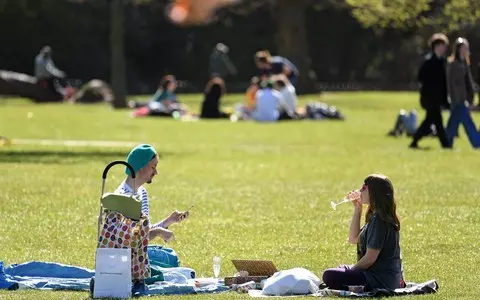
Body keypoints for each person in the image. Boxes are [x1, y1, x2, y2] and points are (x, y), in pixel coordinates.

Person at [322, 174, 404, 291]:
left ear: (375, 192)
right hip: (380, 277)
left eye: (364, 188)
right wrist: (358, 208)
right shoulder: (376, 216)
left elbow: (369, 259)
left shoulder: (380, 221)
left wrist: (351, 271)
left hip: (379, 280)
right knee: (340, 268)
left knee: (329, 275)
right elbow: (353, 238)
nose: (360, 190)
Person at [116, 144, 189, 243]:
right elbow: (129, 240)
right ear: (140, 166)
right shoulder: (122, 197)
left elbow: (144, 232)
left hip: (137, 255)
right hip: (123, 257)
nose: (156, 172)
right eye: (153, 167)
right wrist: (158, 232)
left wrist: (168, 221)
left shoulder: (142, 192)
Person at [409, 33, 451, 149]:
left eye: (444, 46)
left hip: (438, 98)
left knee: (432, 121)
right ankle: (445, 145)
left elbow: (443, 83)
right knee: (436, 121)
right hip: (429, 98)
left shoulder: (442, 62)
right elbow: (421, 78)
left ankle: (415, 141)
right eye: (440, 46)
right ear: (435, 46)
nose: (442, 48)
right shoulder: (429, 61)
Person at [445, 38, 480, 148]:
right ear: (458, 49)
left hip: (463, 99)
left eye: (467, 48)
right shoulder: (454, 64)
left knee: (452, 124)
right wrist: (455, 99)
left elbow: (468, 82)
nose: (466, 50)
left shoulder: (464, 63)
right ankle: (477, 142)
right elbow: (452, 84)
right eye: (464, 48)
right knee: (468, 123)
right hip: (458, 100)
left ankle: (447, 142)